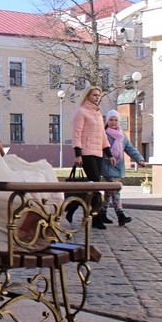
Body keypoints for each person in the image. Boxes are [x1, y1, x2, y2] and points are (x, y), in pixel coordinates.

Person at [67, 85, 115, 229]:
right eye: (94, 95)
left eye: (98, 95)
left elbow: (103, 136)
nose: (97, 98)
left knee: (93, 185)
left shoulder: (98, 114)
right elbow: (77, 134)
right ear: (87, 95)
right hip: (86, 152)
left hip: (98, 153)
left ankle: (74, 205)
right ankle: (96, 218)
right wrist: (78, 154)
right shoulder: (81, 112)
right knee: (95, 186)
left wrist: (109, 154)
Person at [101, 110, 145, 226]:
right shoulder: (104, 134)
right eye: (111, 120)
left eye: (116, 120)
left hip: (118, 166)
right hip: (107, 165)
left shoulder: (122, 135)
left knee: (108, 192)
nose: (113, 122)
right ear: (107, 121)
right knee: (115, 190)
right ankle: (120, 215)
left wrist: (139, 159)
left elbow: (130, 148)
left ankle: (102, 213)